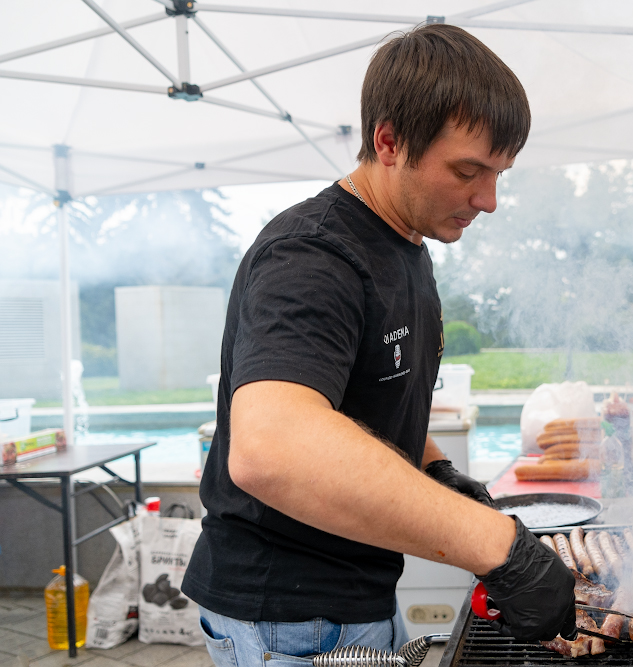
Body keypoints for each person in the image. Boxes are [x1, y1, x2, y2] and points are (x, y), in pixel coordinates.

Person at [181, 23, 577, 666]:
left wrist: (439, 473)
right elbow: (269, 450)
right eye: (468, 171)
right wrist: (493, 543)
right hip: (288, 619)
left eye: (499, 173)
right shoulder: (312, 254)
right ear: (388, 140)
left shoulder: (407, 246)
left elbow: (365, 409)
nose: (489, 199)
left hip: (355, 596)